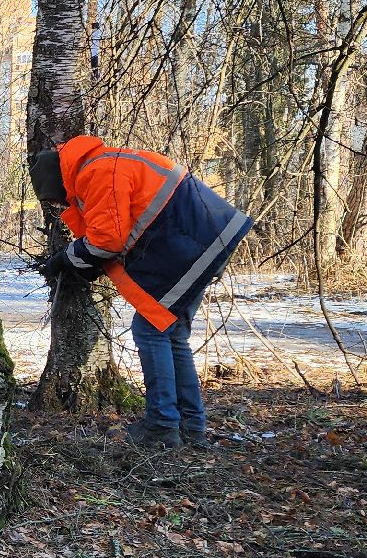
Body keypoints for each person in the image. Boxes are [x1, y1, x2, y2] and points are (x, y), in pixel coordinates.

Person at [30, 135, 254, 449]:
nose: (61, 206)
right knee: (171, 334)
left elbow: (107, 241)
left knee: (150, 331)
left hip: (192, 247)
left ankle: (162, 425)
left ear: (59, 181)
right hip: (205, 241)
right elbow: (115, 232)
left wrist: (66, 259)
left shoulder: (96, 172)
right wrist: (86, 259)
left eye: (56, 200)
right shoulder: (105, 163)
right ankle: (191, 426)